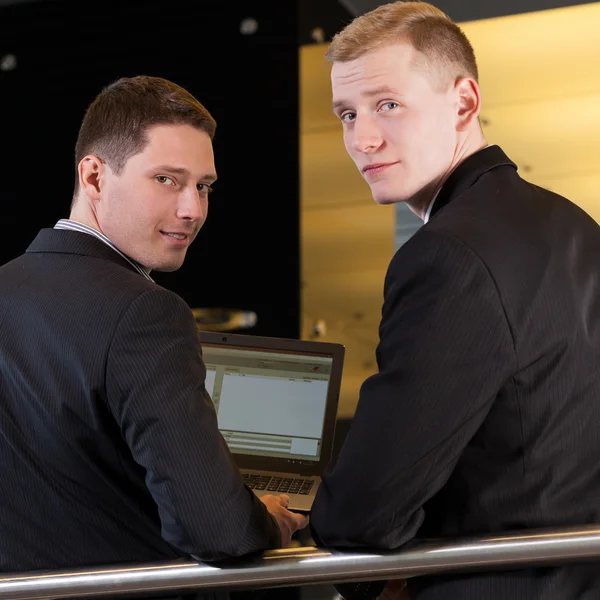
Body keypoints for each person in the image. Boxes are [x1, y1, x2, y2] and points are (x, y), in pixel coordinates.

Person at [309, 2, 600, 599]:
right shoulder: (577, 227)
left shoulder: (445, 255)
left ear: (464, 102)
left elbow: (364, 512)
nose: (362, 137)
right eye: (347, 113)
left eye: (388, 104)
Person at [0, 75, 307, 599]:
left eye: (204, 186)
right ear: (94, 176)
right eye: (167, 179)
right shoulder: (146, 312)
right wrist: (267, 519)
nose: (193, 209)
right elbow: (217, 530)